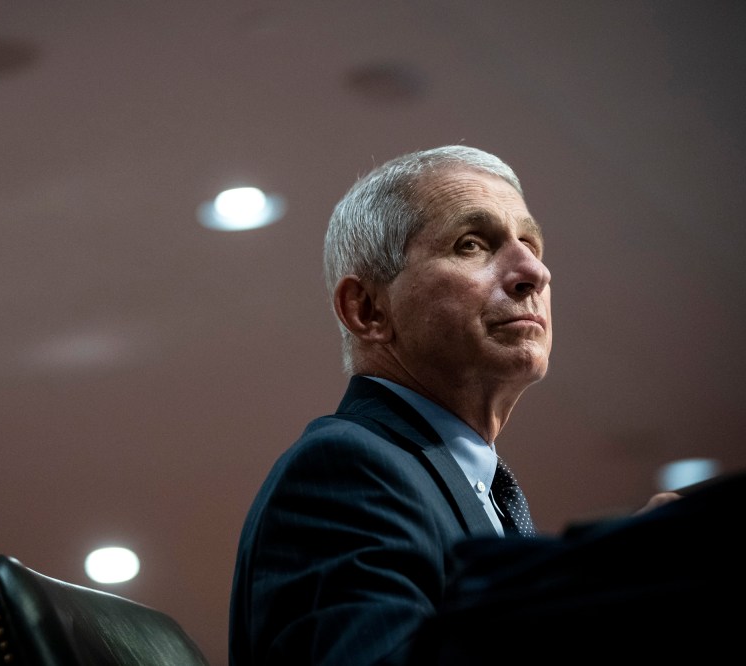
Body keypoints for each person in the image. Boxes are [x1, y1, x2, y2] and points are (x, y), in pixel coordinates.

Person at [227, 145, 695, 665]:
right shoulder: (344, 469)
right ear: (368, 309)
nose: (534, 271)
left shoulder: (467, 486)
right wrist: (610, 585)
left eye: (530, 244)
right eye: (471, 244)